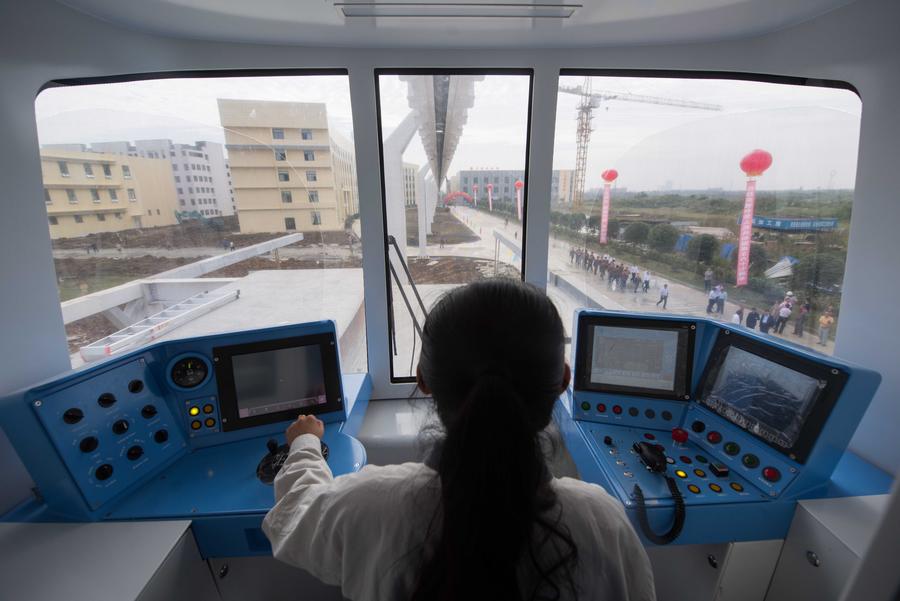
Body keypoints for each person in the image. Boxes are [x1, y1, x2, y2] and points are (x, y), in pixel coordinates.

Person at [262, 280, 656, 601]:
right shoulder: (603, 524)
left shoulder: (367, 507)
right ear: (563, 382)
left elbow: (294, 516)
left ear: (423, 380)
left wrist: (305, 444)